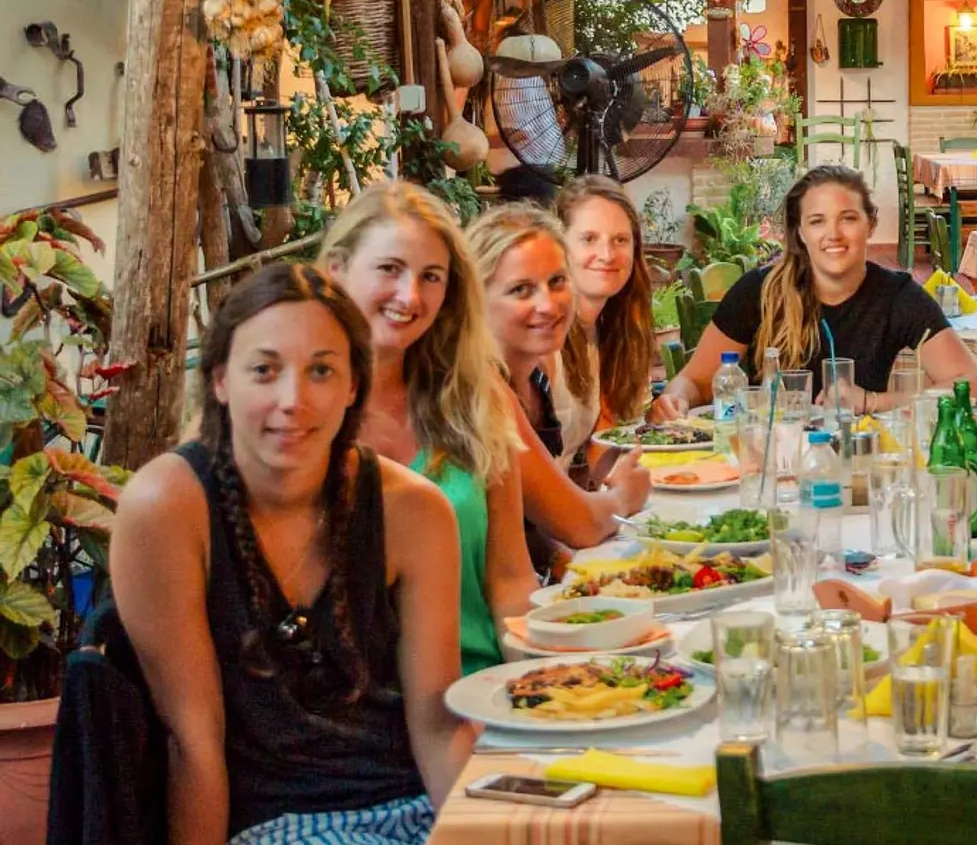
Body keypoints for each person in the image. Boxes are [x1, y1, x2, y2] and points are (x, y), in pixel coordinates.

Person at [112, 264, 471, 844]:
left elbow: (438, 726)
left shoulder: (416, 512)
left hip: (410, 808)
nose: (292, 400)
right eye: (265, 370)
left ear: (354, 384)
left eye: (321, 371)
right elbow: (193, 745)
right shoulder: (168, 509)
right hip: (270, 828)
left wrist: (477, 835)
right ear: (222, 380)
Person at [319, 181, 533, 675]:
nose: (410, 295)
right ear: (336, 270)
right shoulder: (296, 415)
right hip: (346, 714)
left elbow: (509, 578)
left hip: (480, 688)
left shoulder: (475, 403)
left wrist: (538, 686)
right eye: (390, 269)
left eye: (431, 276)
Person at [650, 165, 977, 418]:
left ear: (870, 223)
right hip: (764, 460)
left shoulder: (897, 296)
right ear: (800, 233)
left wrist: (873, 401)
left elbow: (973, 387)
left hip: (854, 463)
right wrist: (675, 398)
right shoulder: (758, 291)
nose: (833, 235)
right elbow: (694, 381)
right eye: (817, 221)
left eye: (848, 219)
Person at [466, 205, 651, 576]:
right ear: (475, 298)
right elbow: (576, 523)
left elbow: (531, 522)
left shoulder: (533, 379)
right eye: (521, 289)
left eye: (557, 282)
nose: (547, 305)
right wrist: (623, 497)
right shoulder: (481, 388)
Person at [552, 175, 657, 456]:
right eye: (589, 239)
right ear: (559, 245)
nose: (607, 254)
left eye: (620, 240)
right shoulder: (543, 336)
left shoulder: (614, 331)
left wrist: (655, 424)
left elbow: (603, 457)